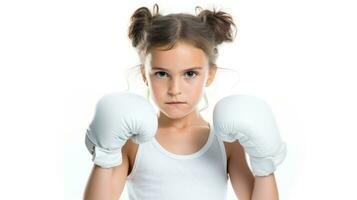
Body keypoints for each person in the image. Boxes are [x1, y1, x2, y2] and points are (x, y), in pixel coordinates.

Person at [83, 4, 286, 200]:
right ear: (144, 75)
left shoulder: (227, 143)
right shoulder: (134, 143)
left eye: (190, 73)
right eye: (162, 74)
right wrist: (104, 157)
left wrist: (265, 167)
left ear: (209, 75)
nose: (175, 90)